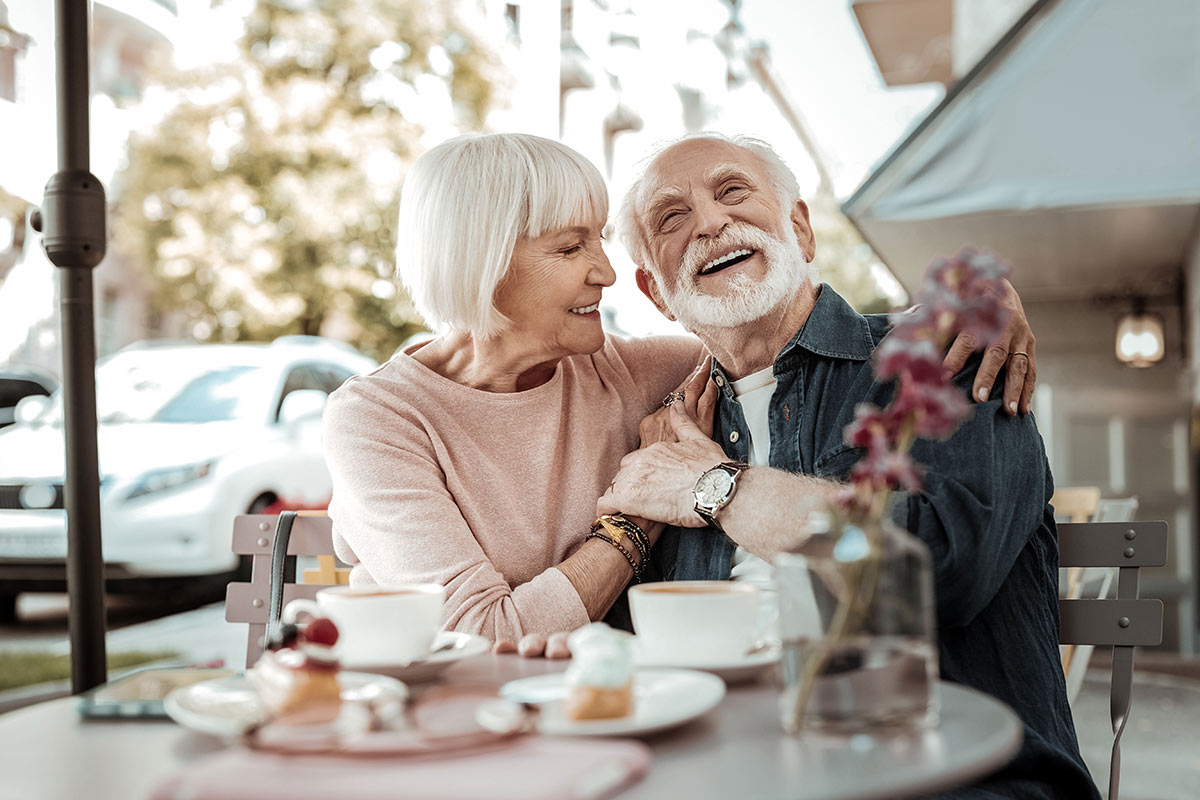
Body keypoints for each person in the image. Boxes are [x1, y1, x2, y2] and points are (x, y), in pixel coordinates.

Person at [321, 131, 1038, 651]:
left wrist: (975, 301)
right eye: (571, 248)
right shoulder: (382, 417)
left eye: (733, 192)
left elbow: (774, 328)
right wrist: (634, 518)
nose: (601, 271)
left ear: (800, 226)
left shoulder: (649, 374)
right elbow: (477, 636)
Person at [594, 132, 1096, 799]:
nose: (710, 223)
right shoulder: (667, 433)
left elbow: (938, 568)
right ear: (655, 291)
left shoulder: (946, 355)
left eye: (733, 191)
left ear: (801, 229)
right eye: (671, 217)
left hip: (951, 776)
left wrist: (713, 487)